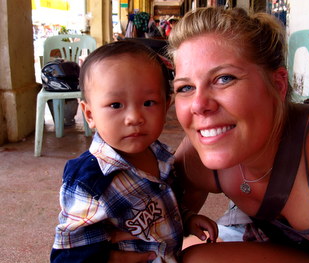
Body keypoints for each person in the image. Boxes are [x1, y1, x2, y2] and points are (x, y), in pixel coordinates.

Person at [166, 7, 309, 263]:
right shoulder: (195, 158)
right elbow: (155, 225)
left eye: (223, 78)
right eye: (185, 87)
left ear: (278, 84)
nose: (198, 105)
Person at [50, 40, 218, 263]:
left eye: (149, 103)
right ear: (89, 114)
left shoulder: (160, 156)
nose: (134, 118)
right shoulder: (89, 182)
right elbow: (67, 255)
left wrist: (187, 219)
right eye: (116, 105)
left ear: (166, 105)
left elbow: (164, 206)